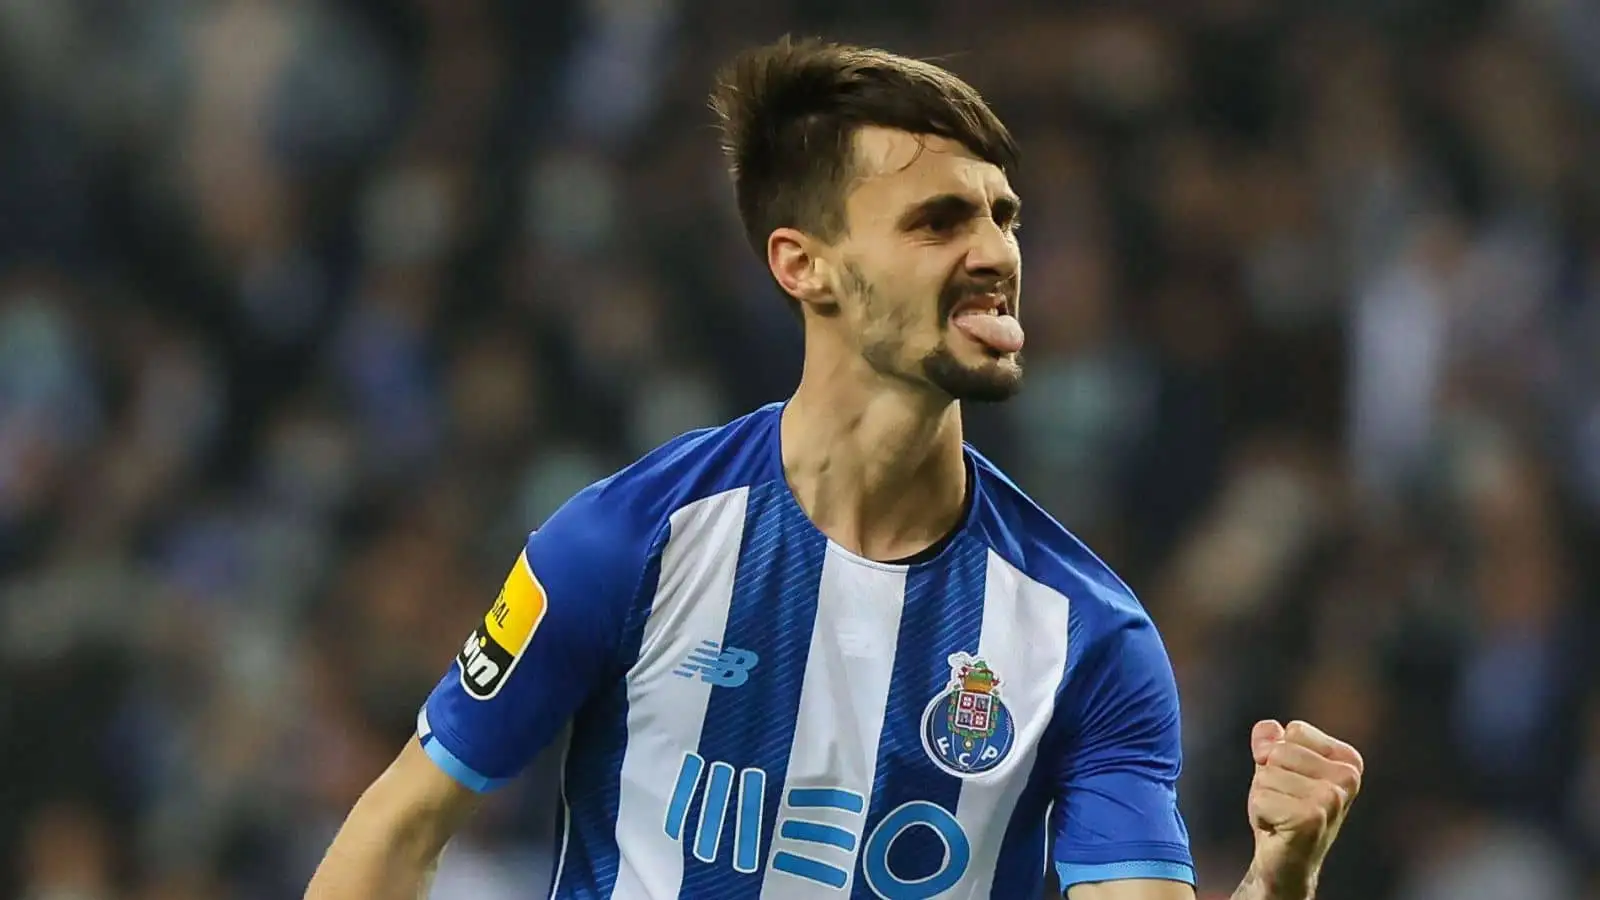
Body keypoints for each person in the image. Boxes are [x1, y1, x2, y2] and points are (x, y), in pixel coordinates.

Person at [305, 36, 1363, 900]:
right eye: (938, 220)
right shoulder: (628, 543)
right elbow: (399, 831)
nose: (994, 251)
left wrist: (1279, 879)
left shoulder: (1085, 636)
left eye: (1004, 216)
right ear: (802, 263)